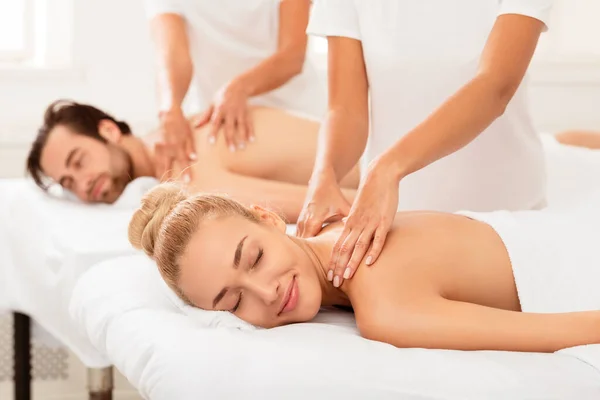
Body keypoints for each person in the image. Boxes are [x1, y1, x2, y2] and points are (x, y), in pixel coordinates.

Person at [128, 182, 600, 352]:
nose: (265, 292)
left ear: (271, 218)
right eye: (233, 301)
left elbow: (560, 330)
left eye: (254, 258)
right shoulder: (341, 226)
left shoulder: (382, 304)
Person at [297, 0, 554, 288]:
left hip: (508, 218)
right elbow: (346, 110)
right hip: (403, 224)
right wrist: (324, 175)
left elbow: (495, 86)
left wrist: (387, 168)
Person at [25, 100, 357, 221]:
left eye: (79, 161)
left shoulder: (189, 165)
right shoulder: (169, 169)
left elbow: (330, 206)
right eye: (67, 182)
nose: (81, 184)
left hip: (393, 182)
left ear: (109, 130)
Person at [145, 0, 325, 181]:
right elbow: (171, 54)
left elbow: (292, 56)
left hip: (299, 115)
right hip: (226, 126)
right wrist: (170, 110)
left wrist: (239, 87)